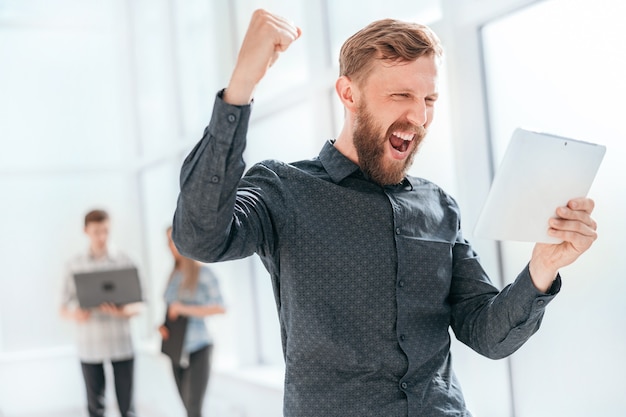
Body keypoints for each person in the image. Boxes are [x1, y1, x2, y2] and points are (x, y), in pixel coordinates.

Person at [171, 9, 599, 417]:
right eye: (401, 95)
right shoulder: (284, 190)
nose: (419, 115)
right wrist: (241, 88)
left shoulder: (439, 206)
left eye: (429, 97)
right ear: (348, 94)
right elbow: (201, 237)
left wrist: (543, 266)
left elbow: (487, 333)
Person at [60, 209, 143, 417]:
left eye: (106, 231)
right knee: (95, 408)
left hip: (122, 344)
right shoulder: (73, 265)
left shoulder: (126, 261)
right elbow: (62, 308)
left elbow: (142, 305)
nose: (102, 237)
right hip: (90, 345)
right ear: (85, 231)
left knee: (128, 408)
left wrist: (123, 311)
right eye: (96, 231)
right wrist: (75, 314)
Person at [159, 226, 226, 417]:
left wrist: (183, 308)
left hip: (199, 347)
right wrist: (163, 327)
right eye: (168, 241)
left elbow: (220, 307)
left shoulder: (203, 273)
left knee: (194, 407)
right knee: (187, 408)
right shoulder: (174, 274)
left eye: (174, 240)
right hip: (175, 348)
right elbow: (170, 311)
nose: (171, 246)